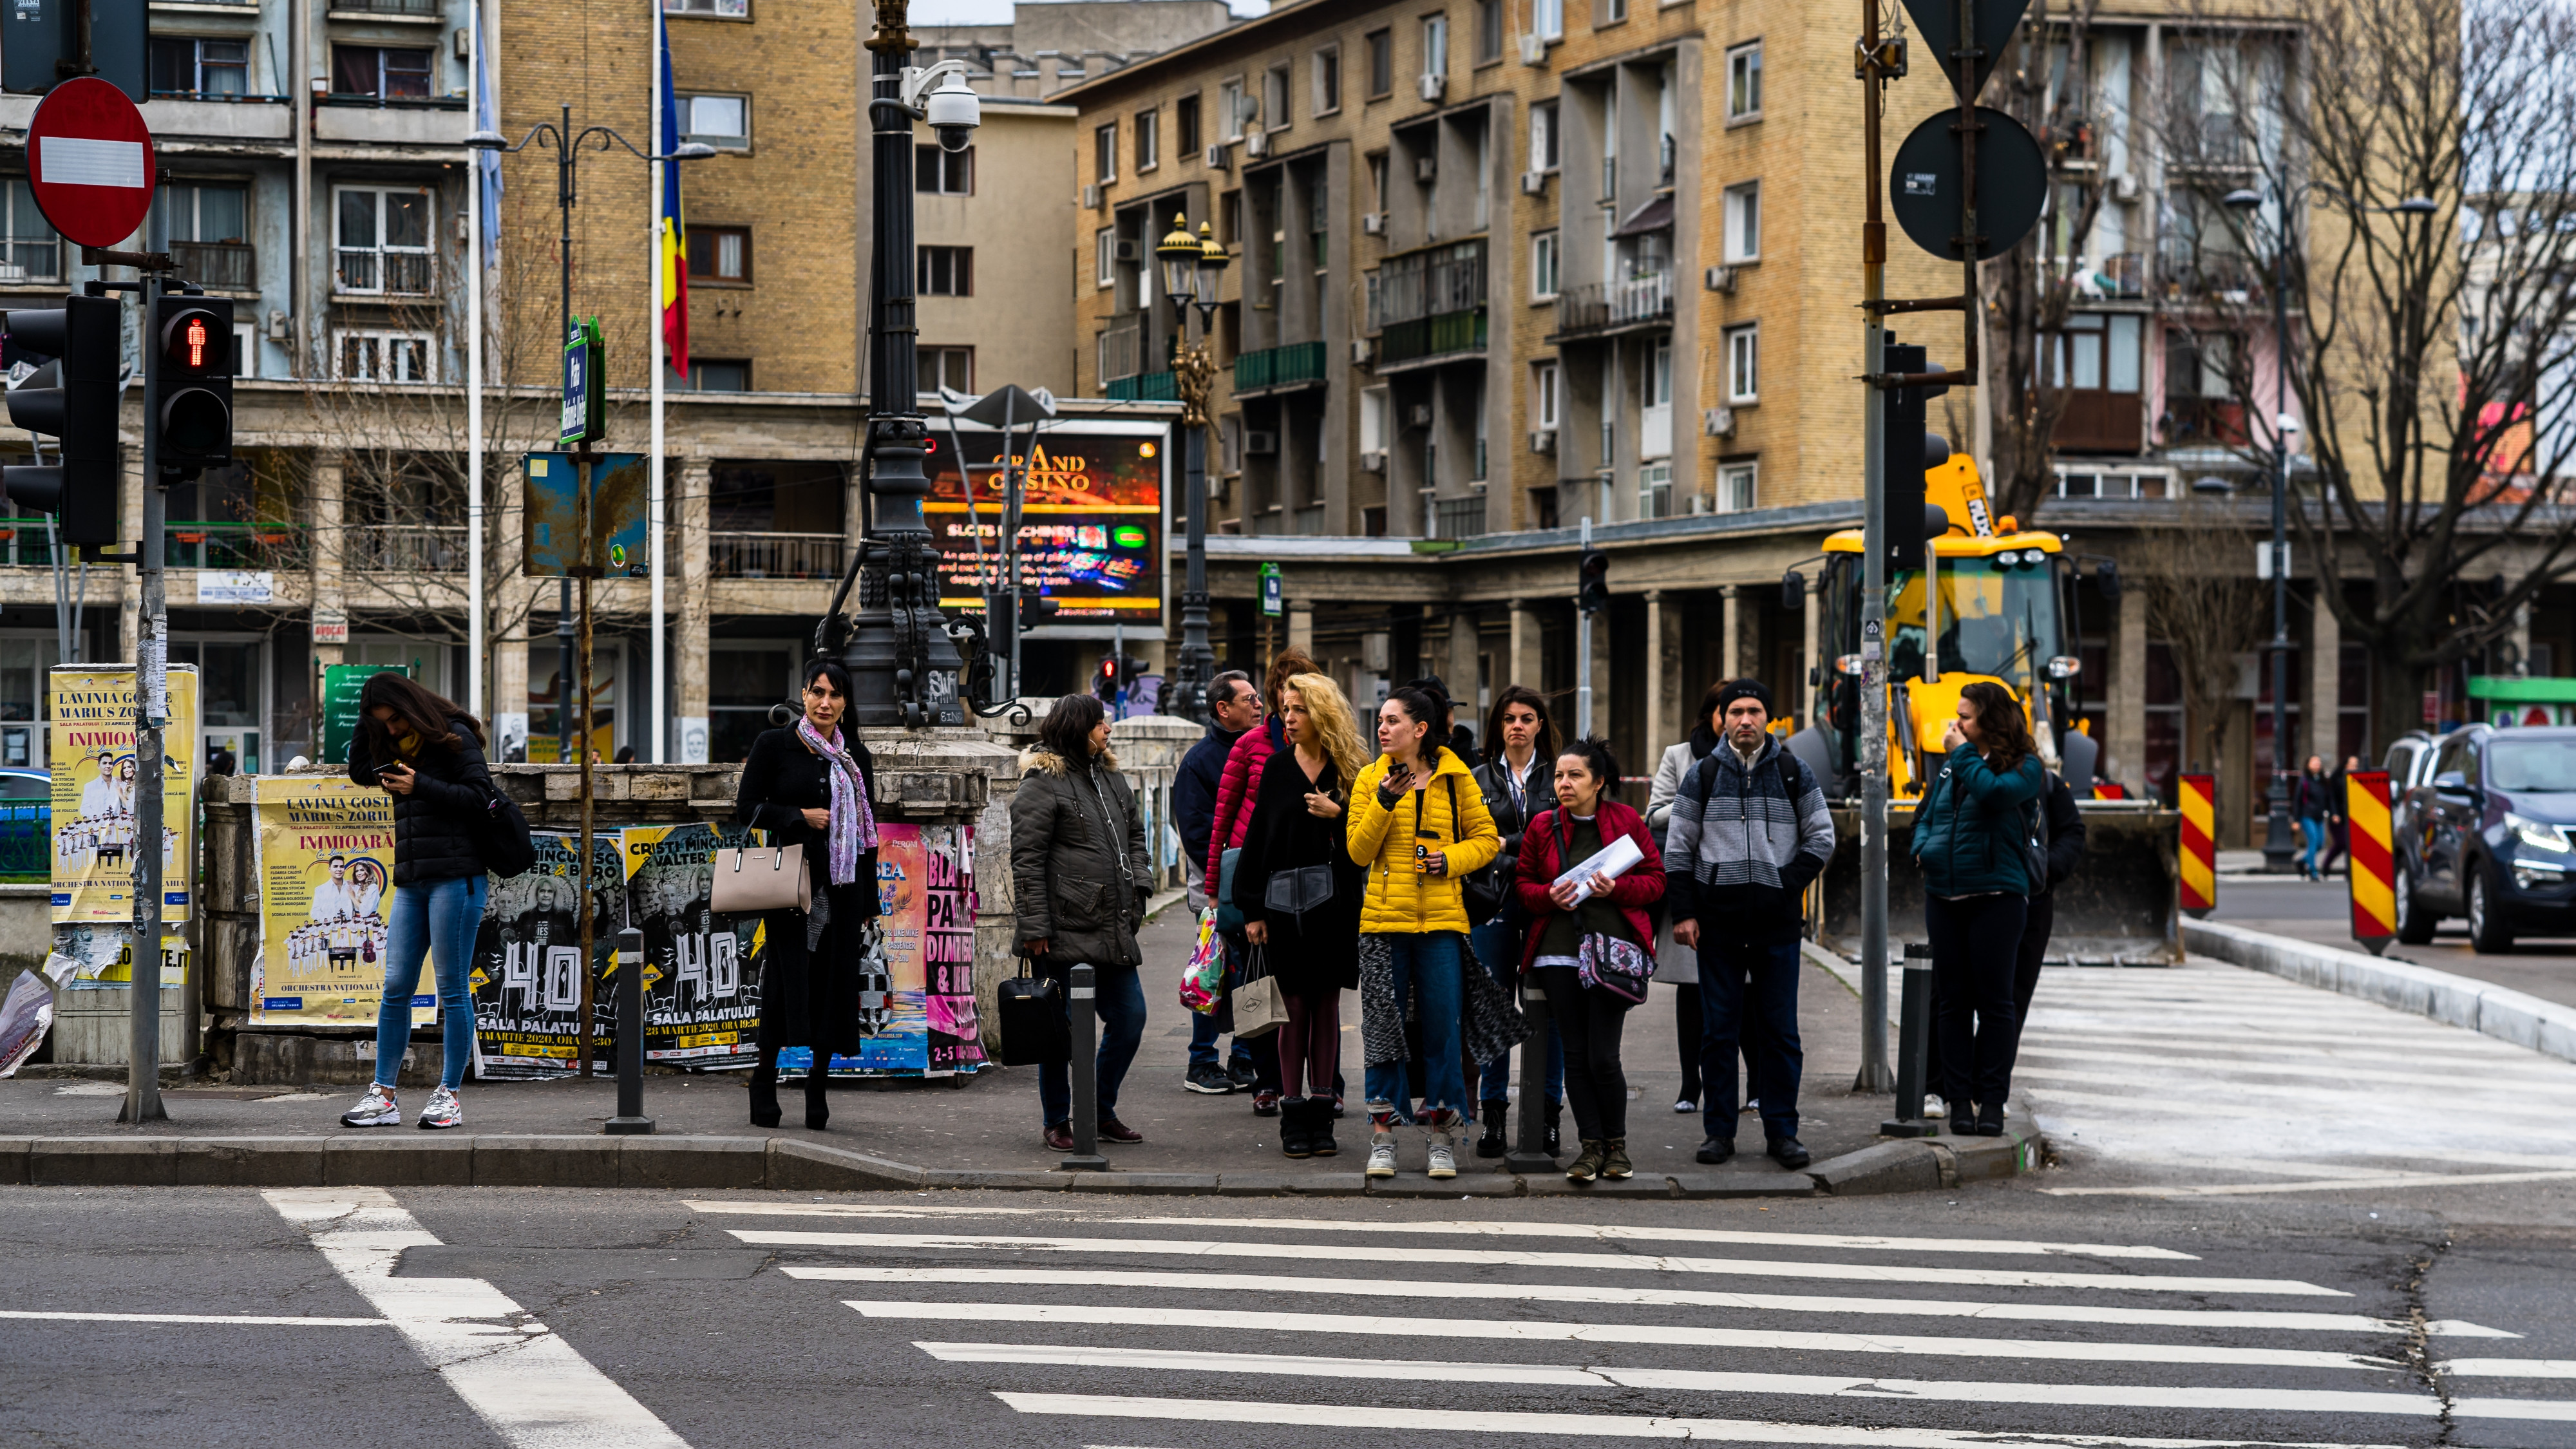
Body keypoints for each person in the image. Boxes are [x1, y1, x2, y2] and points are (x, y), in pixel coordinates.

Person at [1665, 679, 1835, 1170]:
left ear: (1769, 718)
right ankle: (1719, 1132)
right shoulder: (1701, 775)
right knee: (1718, 1033)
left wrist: (1783, 885)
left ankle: (1783, 1132)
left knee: (1780, 1033)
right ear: (1722, 718)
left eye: (1754, 711)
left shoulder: (1793, 771)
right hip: (1717, 927)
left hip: (1776, 927)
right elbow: (1678, 849)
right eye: (1736, 711)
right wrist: (1686, 912)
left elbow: (1821, 838)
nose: (1745, 720)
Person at [1347, 685, 1506, 1180]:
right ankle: (1383, 1139)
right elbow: (1357, 852)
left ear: (1420, 729)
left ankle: (1442, 1139)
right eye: (1381, 720)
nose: (1382, 728)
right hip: (1382, 925)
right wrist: (1384, 802)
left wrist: (1449, 860)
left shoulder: (1456, 778)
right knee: (1383, 1034)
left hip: (1442, 925)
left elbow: (1487, 840)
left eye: (1392, 720)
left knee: (1443, 1033)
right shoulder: (1370, 778)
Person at [337, 674, 500, 1132]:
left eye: (395, 719)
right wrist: (367, 721)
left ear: (411, 708)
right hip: (412, 880)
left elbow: (480, 796)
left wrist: (420, 785)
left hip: (458, 879)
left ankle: (449, 1095)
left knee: (451, 988)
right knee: (395, 987)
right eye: (382, 723)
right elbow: (358, 770)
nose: (391, 729)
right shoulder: (390, 745)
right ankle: (383, 1096)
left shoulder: (454, 735)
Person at [732, 658, 884, 1131]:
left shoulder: (855, 757)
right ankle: (764, 1079)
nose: (825, 702)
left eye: (835, 695)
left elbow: (867, 834)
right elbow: (746, 808)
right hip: (790, 886)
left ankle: (818, 1081)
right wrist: (798, 816)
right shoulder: (774, 744)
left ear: (845, 702)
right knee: (785, 982)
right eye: (818, 692)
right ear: (804, 695)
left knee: (834, 985)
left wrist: (870, 902)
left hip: (843, 889)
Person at [1513, 736, 1663, 1184]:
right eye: (1559, 775)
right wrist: (1548, 896)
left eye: (1575, 775)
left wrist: (1617, 889)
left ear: (1598, 782)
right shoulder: (1542, 826)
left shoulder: (1626, 820)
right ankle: (1590, 1148)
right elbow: (1522, 886)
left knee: (1603, 1057)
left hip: (1612, 956)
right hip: (1557, 955)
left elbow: (1656, 881)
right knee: (1576, 1056)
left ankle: (1617, 1146)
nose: (1564, 783)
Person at [1233, 672, 1368, 1159]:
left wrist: (1341, 814)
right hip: (1283, 907)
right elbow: (1259, 841)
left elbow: (1371, 844)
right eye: (1286, 709)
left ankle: (1323, 1111)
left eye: (1299, 709)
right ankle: (1293, 1115)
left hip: (1336, 907)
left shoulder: (1352, 770)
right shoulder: (1276, 768)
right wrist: (1251, 908)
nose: (1288, 718)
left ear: (1322, 713)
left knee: (1327, 1006)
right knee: (1291, 1009)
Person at [1011, 692, 1153, 1151]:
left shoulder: (1111, 777)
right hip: (1062, 929)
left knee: (1130, 1019)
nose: (1108, 729)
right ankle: (1057, 1120)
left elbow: (1135, 835)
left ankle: (1097, 1110)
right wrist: (1035, 927)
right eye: (1099, 723)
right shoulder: (1042, 782)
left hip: (1113, 926)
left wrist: (1141, 886)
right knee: (1060, 1033)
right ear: (1077, 728)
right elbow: (1026, 860)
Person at [1911, 679, 2046, 1137]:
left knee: (1995, 1003)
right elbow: (1927, 814)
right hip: (1944, 896)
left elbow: (1993, 794)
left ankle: (1991, 1101)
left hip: (1997, 898)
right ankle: (1958, 1103)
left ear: (1990, 719)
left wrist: (1961, 753)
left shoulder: (2026, 766)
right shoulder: (1953, 765)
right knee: (1952, 1003)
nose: (1957, 723)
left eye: (1965, 717)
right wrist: (1923, 849)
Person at [1204, 647, 1318, 1116]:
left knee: (1318, 993)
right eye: (1286, 692)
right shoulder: (1251, 745)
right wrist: (1217, 892)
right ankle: (1268, 1082)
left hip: (1317, 886)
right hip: (1259, 885)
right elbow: (1223, 819)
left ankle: (1325, 1084)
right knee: (1260, 985)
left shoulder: (1335, 748)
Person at [1468, 684, 1564, 1157]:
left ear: (1540, 725)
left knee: (1551, 1008)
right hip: (1492, 903)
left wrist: (1506, 845)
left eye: (1527, 718)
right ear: (1498, 726)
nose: (1518, 726)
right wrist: (1520, 849)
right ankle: (1494, 1118)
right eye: (1509, 719)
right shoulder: (1477, 778)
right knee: (1494, 1008)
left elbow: (1562, 836)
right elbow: (1470, 840)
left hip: (1548, 902)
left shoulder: (1560, 773)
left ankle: (1547, 1117)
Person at [1173, 669, 1264, 1096]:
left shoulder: (1266, 751)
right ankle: (1202, 1061)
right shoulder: (1200, 761)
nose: (1258, 705)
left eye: (1258, 697)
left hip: (1259, 884)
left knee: (1255, 973)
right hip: (1217, 889)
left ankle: (1245, 1057)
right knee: (1215, 970)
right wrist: (1229, 879)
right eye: (1249, 699)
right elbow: (1196, 834)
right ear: (1223, 708)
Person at [1646, 682, 1729, 1117]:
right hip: (1689, 884)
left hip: (1737, 887)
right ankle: (1689, 1083)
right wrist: (1697, 800)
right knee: (1692, 992)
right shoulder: (1680, 756)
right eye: (1725, 711)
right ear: (1710, 714)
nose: (1734, 720)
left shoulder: (1762, 760)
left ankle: (1743, 1084)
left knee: (1742, 991)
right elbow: (1654, 814)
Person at [1403, 674, 1483, 769]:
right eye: (1438, 714)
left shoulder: (1478, 761)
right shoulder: (1397, 762)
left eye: (1448, 712)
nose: (1445, 720)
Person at [2294, 756, 2333, 880]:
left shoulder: (2323, 781)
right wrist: (2296, 820)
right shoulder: (2304, 780)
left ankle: (2302, 861)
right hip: (2307, 815)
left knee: (2320, 844)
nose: (2317, 765)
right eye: (2314, 763)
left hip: (2319, 816)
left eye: (2318, 763)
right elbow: (2297, 800)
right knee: (2313, 841)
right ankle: (2312, 871)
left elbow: (2328, 799)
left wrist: (2333, 813)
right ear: (2308, 765)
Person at [2321, 755, 2359, 876]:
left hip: (2352, 817)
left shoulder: (2357, 779)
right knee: (2342, 843)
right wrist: (2334, 814)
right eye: (2352, 765)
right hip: (2338, 817)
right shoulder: (2337, 779)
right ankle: (2326, 865)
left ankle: (2349, 871)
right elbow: (2332, 798)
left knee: (2351, 845)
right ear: (2346, 765)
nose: (2355, 768)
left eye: (2356, 765)